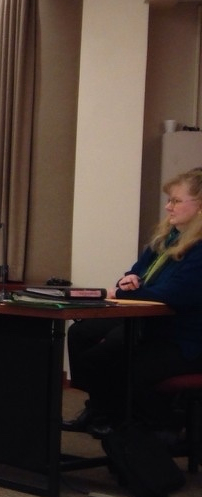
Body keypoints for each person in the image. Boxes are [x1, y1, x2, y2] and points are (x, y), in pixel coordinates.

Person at [65, 169, 202, 439]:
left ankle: (148, 423)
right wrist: (127, 283)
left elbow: (174, 294)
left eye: (175, 201)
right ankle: (104, 410)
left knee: (111, 357)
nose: (168, 207)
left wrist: (130, 292)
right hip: (151, 321)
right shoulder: (165, 240)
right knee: (80, 333)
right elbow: (134, 275)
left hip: (184, 338)